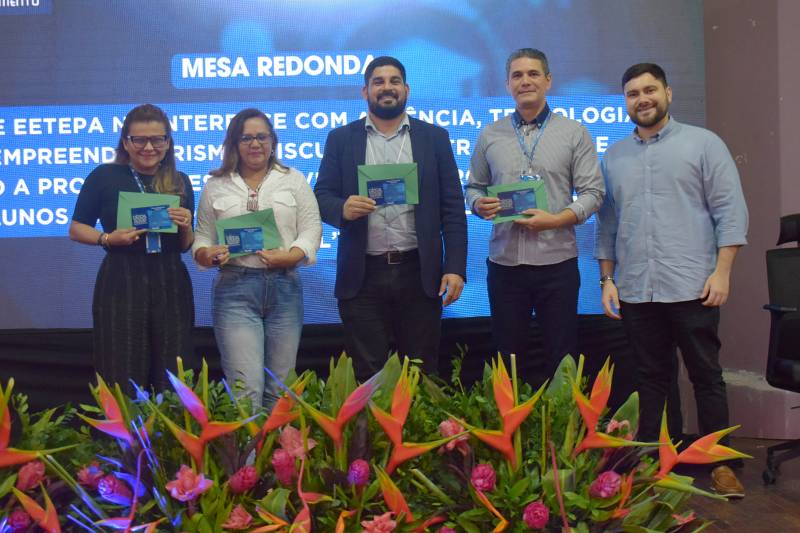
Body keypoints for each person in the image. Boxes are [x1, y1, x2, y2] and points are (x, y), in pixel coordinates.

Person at [594, 63, 748, 497]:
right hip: (637, 288)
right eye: (633, 94)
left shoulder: (704, 144)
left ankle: (720, 463)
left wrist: (722, 272)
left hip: (693, 285)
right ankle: (658, 460)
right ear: (625, 102)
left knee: (706, 377)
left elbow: (730, 211)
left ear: (668, 93)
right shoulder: (614, 157)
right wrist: (607, 279)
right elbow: (607, 225)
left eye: (650, 90)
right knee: (651, 379)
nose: (642, 99)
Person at [314, 56, 467, 380]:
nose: (387, 87)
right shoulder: (341, 139)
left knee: (422, 374)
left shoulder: (434, 138)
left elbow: (453, 208)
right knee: (368, 376)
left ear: (406, 89)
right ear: (365, 91)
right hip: (363, 276)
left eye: (394, 81)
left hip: (418, 273)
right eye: (378, 82)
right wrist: (342, 208)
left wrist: (455, 268)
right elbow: (322, 195)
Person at [465, 48, 604, 384]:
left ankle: (562, 419)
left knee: (562, 357)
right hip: (505, 265)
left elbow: (593, 193)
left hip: (557, 265)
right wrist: (478, 205)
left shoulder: (574, 132)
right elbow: (473, 187)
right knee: (507, 358)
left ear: (548, 81)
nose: (525, 81)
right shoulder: (490, 134)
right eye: (517, 75)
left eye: (533, 74)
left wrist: (556, 220)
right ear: (508, 84)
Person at [193, 108, 321, 410]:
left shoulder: (293, 179)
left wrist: (291, 255)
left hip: (284, 288)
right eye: (246, 138)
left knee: (280, 391)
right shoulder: (216, 184)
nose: (255, 144)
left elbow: (312, 227)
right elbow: (201, 237)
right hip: (235, 290)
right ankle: (248, 444)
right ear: (234, 144)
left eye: (262, 137)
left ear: (272, 141)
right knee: (246, 390)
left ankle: (278, 444)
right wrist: (206, 254)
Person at [69, 103, 195, 392]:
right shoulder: (104, 176)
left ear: (168, 142)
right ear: (126, 142)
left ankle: (171, 423)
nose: (149, 147)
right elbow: (76, 228)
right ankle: (125, 423)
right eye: (139, 139)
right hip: (121, 278)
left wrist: (187, 225)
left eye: (157, 139)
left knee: (174, 370)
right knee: (121, 368)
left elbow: (185, 246)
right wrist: (106, 239)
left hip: (170, 280)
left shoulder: (180, 181)